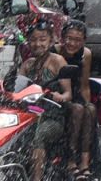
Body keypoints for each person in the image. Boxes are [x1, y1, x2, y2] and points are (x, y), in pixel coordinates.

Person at [20, 21, 73, 181]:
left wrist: (60, 96)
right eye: (34, 39)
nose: (38, 44)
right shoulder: (27, 65)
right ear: (28, 42)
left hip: (52, 118)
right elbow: (15, 86)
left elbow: (68, 94)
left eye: (42, 39)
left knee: (38, 136)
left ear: (51, 41)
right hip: (30, 117)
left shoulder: (57, 61)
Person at [54, 21, 97, 181]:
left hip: (76, 94)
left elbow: (84, 85)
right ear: (62, 38)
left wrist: (88, 105)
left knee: (90, 110)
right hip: (57, 95)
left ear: (84, 41)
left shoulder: (86, 54)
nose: (72, 43)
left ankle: (85, 164)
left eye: (77, 40)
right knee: (78, 110)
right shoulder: (54, 52)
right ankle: (70, 162)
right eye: (69, 38)